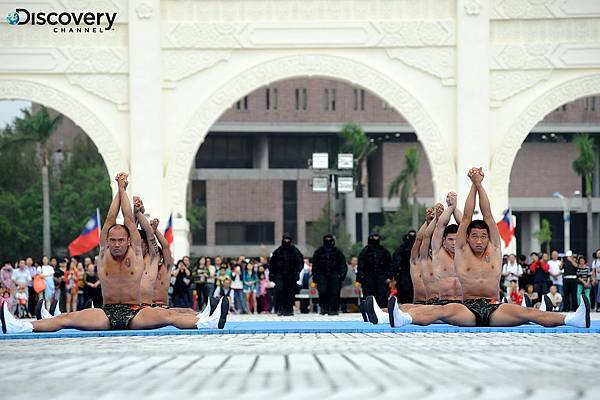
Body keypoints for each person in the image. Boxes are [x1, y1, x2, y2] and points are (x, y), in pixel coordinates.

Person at [1, 172, 228, 335]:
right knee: (67, 319)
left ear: (129, 240)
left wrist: (124, 191)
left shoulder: (137, 252)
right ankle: (18, 327)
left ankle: (207, 321)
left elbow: (128, 220)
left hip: (136, 312)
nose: (117, 244)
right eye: (113, 240)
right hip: (107, 312)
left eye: (121, 240)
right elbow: (111, 220)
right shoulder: (104, 253)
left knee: (169, 316)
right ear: (107, 241)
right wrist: (118, 191)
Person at [375, 167, 590, 329]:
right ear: (467, 238)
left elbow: (487, 215)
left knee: (528, 313)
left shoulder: (494, 248)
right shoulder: (462, 250)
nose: (479, 241)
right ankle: (402, 319)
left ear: (489, 238)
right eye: (475, 236)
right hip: (466, 309)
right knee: (440, 310)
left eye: (483, 236)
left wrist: (480, 185)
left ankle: (574, 319)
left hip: (494, 307)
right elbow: (467, 217)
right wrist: (470, 187)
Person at [430, 192, 463, 305]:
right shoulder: (438, 251)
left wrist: (455, 207)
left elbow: (465, 225)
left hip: (464, 304)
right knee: (417, 310)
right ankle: (384, 314)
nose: (454, 243)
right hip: (442, 303)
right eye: (450, 240)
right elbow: (440, 226)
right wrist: (450, 208)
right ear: (444, 241)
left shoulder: (465, 253)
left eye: (456, 239)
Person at [312, 234, 347, 315]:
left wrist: (342, 275)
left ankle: (334, 309)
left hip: (334, 274)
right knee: (323, 291)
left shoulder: (337, 252)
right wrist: (315, 275)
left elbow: (342, 264)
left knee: (334, 292)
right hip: (322, 274)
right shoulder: (319, 251)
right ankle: (324, 307)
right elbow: (315, 264)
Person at [269, 233, 304, 316]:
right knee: (279, 291)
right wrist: (272, 274)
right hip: (280, 275)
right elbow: (272, 264)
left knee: (290, 292)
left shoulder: (295, 250)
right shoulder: (278, 251)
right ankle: (280, 308)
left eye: (288, 239)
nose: (287, 241)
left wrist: (297, 271)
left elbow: (300, 262)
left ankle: (289, 309)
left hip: (291, 275)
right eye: (285, 239)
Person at [357, 233, 391, 308]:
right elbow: (361, 265)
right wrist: (360, 277)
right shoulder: (365, 251)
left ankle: (382, 309)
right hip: (368, 277)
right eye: (374, 238)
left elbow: (389, 264)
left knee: (382, 294)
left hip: (381, 276)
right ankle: (369, 310)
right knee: (369, 295)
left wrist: (389, 276)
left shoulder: (384, 251)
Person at [391, 230, 416, 304]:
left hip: (416, 273)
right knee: (405, 291)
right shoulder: (400, 250)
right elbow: (395, 262)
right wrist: (394, 275)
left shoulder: (419, 248)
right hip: (404, 274)